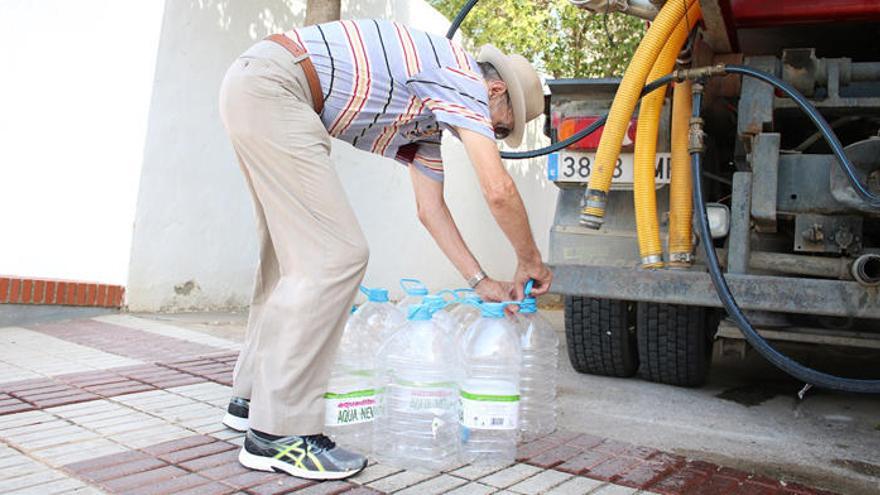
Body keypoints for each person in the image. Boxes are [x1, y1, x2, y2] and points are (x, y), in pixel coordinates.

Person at [218, 18, 553, 480]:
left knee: (288, 257)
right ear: (495, 91)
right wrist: (530, 260)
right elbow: (498, 189)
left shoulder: (431, 120)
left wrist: (481, 282)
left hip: (258, 82)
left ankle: (251, 398)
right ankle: (280, 434)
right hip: (277, 88)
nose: (491, 135)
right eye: (501, 128)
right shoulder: (461, 78)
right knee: (335, 255)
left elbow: (430, 210)